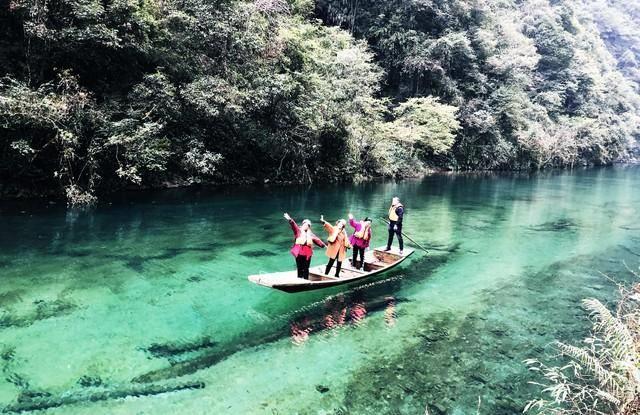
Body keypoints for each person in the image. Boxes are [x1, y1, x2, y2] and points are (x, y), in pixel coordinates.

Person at [284, 213, 325, 280]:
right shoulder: (298, 231)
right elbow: (294, 225)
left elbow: (317, 240)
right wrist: (289, 219)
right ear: (302, 225)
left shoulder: (310, 234)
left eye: (307, 225)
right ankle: (299, 279)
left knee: (306, 268)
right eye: (304, 224)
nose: (305, 226)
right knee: (299, 268)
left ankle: (305, 279)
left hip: (307, 254)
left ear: (309, 227)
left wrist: (323, 245)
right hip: (299, 253)